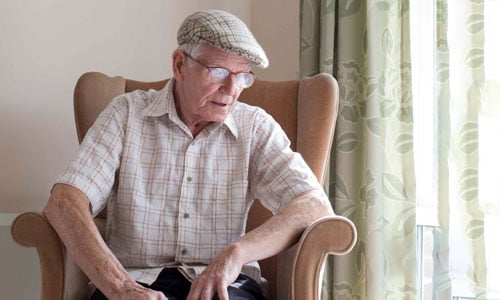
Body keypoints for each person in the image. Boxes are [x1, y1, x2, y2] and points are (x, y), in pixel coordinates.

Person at [43, 9, 334, 300]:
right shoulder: (126, 114)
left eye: (243, 76)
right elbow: (64, 201)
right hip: (135, 283)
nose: (232, 90)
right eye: (219, 72)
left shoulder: (255, 127)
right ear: (180, 65)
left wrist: (236, 253)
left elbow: (313, 204)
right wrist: (120, 288)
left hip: (226, 288)